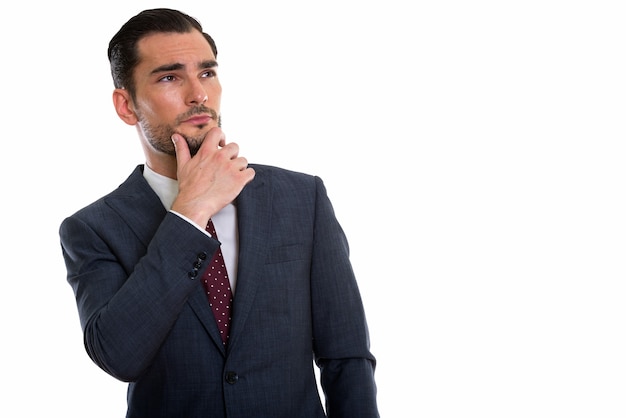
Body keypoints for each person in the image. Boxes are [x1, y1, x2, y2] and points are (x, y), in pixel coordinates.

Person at [59, 8, 379, 418]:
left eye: (207, 73)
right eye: (169, 77)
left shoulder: (301, 198)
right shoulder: (93, 228)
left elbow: (346, 356)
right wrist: (190, 213)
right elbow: (119, 356)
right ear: (126, 106)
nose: (198, 94)